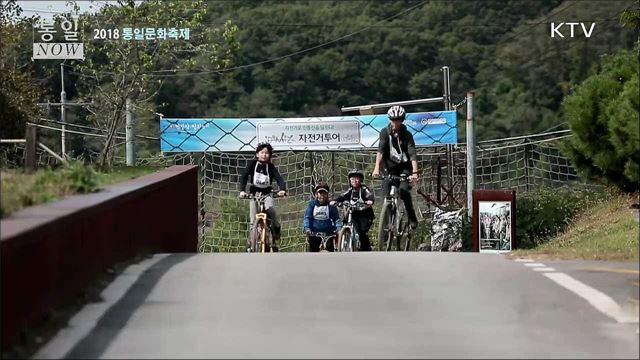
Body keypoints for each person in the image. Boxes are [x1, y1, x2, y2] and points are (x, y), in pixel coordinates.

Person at [372, 105, 420, 230]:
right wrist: (376, 168)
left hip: (404, 168)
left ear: (402, 120)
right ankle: (386, 224)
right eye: (393, 119)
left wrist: (414, 172)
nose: (395, 122)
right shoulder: (384, 132)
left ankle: (411, 216)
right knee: (385, 192)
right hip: (389, 167)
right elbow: (380, 150)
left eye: (398, 119)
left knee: (403, 191)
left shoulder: (407, 135)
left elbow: (412, 154)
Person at [239, 142, 287, 252]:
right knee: (253, 219)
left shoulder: (271, 166)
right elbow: (244, 176)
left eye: (266, 153)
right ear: (257, 154)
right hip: (254, 194)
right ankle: (251, 242)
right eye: (262, 152)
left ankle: (276, 231)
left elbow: (279, 178)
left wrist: (282, 190)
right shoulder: (252, 164)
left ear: (269, 155)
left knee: (271, 210)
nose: (264, 155)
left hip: (267, 193)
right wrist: (242, 191)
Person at [330, 169, 375, 251]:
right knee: (345, 222)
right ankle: (343, 240)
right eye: (352, 179)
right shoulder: (350, 190)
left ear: (361, 180)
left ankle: (366, 248)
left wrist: (370, 200)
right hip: (354, 214)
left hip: (365, 215)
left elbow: (370, 195)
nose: (355, 181)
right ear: (350, 180)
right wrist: (335, 201)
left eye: (357, 179)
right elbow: (342, 196)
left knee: (362, 231)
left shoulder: (364, 189)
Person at [303, 181, 342, 252]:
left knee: (330, 252)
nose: (322, 196)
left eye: (324, 193)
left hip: (329, 234)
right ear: (316, 194)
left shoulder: (331, 206)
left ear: (327, 194)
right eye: (320, 193)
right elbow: (307, 217)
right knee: (313, 252)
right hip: (314, 234)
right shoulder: (312, 205)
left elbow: (336, 219)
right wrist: (307, 228)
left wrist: (338, 228)